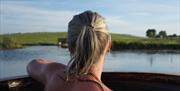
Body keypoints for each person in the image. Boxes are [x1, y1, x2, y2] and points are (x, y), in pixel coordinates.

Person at [27, 10, 112, 91]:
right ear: (108, 44)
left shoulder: (54, 75)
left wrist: (62, 69)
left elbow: (32, 64)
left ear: (69, 46)